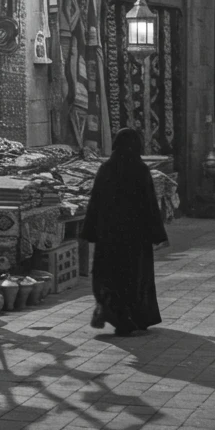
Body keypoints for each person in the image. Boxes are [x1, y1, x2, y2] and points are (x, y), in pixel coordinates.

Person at [82, 127, 168, 337]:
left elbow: (95, 202)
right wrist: (157, 234)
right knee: (134, 277)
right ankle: (133, 317)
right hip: (135, 238)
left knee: (109, 275)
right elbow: (150, 205)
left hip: (109, 236)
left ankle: (114, 314)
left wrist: (90, 231)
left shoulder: (107, 169)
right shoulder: (140, 170)